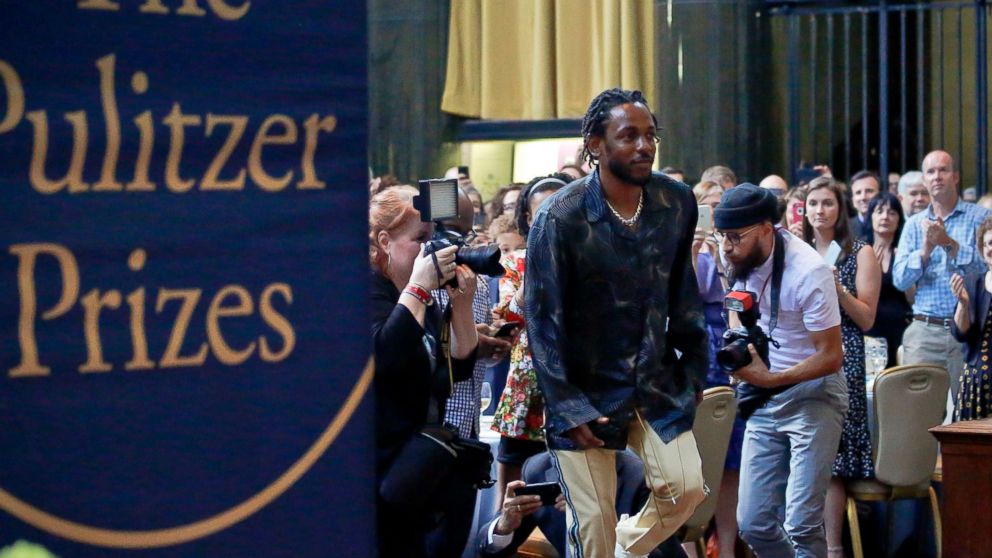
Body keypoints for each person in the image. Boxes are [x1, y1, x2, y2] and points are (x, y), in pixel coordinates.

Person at [526, 88, 707, 558]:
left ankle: (629, 548)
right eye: (629, 136)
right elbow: (542, 322)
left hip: (655, 382)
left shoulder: (676, 202)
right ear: (595, 144)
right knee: (593, 527)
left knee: (687, 489)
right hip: (583, 392)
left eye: (650, 136)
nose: (644, 146)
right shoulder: (559, 217)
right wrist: (567, 408)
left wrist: (694, 373)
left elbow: (683, 293)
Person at [714, 183, 846, 558]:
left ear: (767, 229)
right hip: (764, 391)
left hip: (813, 392)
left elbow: (832, 355)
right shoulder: (741, 257)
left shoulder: (810, 272)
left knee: (802, 525)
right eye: (722, 236)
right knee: (753, 523)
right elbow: (740, 315)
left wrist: (770, 378)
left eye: (735, 237)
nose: (726, 246)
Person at [369, 188, 480, 557]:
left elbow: (455, 370)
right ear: (385, 241)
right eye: (420, 240)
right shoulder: (368, 292)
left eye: (433, 239)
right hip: (376, 471)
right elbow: (384, 354)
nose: (430, 250)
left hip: (416, 472)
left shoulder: (421, 299)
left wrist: (461, 307)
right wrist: (417, 287)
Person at [802, 176, 881, 558]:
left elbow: (867, 319)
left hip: (842, 355)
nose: (820, 210)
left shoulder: (859, 252)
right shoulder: (796, 250)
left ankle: (833, 549)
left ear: (841, 208)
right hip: (799, 355)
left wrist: (838, 289)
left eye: (828, 203)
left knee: (832, 459)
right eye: (814, 203)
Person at [490, 173, 570, 509]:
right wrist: (540, 257)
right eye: (543, 214)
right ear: (528, 217)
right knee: (511, 501)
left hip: (576, 391)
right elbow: (509, 315)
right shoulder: (514, 262)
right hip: (527, 393)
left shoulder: (593, 256)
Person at [893, 150, 991, 414]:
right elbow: (900, 279)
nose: (937, 177)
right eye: (931, 172)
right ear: (924, 180)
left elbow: (985, 270)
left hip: (968, 331)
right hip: (925, 330)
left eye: (943, 170)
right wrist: (925, 250)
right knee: (917, 415)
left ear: (956, 176)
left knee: (970, 415)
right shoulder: (914, 225)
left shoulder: (979, 217)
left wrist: (948, 243)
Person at [477, 452, 688, 558]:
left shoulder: (640, 476)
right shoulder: (539, 469)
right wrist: (504, 526)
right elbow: (489, 551)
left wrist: (595, 521)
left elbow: (669, 555)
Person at [689, 181, 745, 558]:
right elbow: (681, 295)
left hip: (730, 344)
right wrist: (694, 249)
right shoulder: (684, 245)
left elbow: (740, 295)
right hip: (695, 348)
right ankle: (690, 546)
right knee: (696, 457)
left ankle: (727, 548)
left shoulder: (739, 246)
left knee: (731, 459)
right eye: (707, 208)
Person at [950, 215, 992, 421]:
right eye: (989, 243)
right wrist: (964, 304)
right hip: (978, 383)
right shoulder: (972, 282)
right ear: (983, 250)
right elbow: (960, 333)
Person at [865, 192, 912, 367]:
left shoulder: (905, 252)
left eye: (892, 212)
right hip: (871, 329)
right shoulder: (861, 251)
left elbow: (912, 298)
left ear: (899, 219)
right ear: (870, 217)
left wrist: (906, 274)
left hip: (901, 327)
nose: (885, 217)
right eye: (879, 211)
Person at [849, 170, 881, 240]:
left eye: (869, 191)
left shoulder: (891, 226)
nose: (863, 197)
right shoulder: (845, 229)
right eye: (858, 193)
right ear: (853, 200)